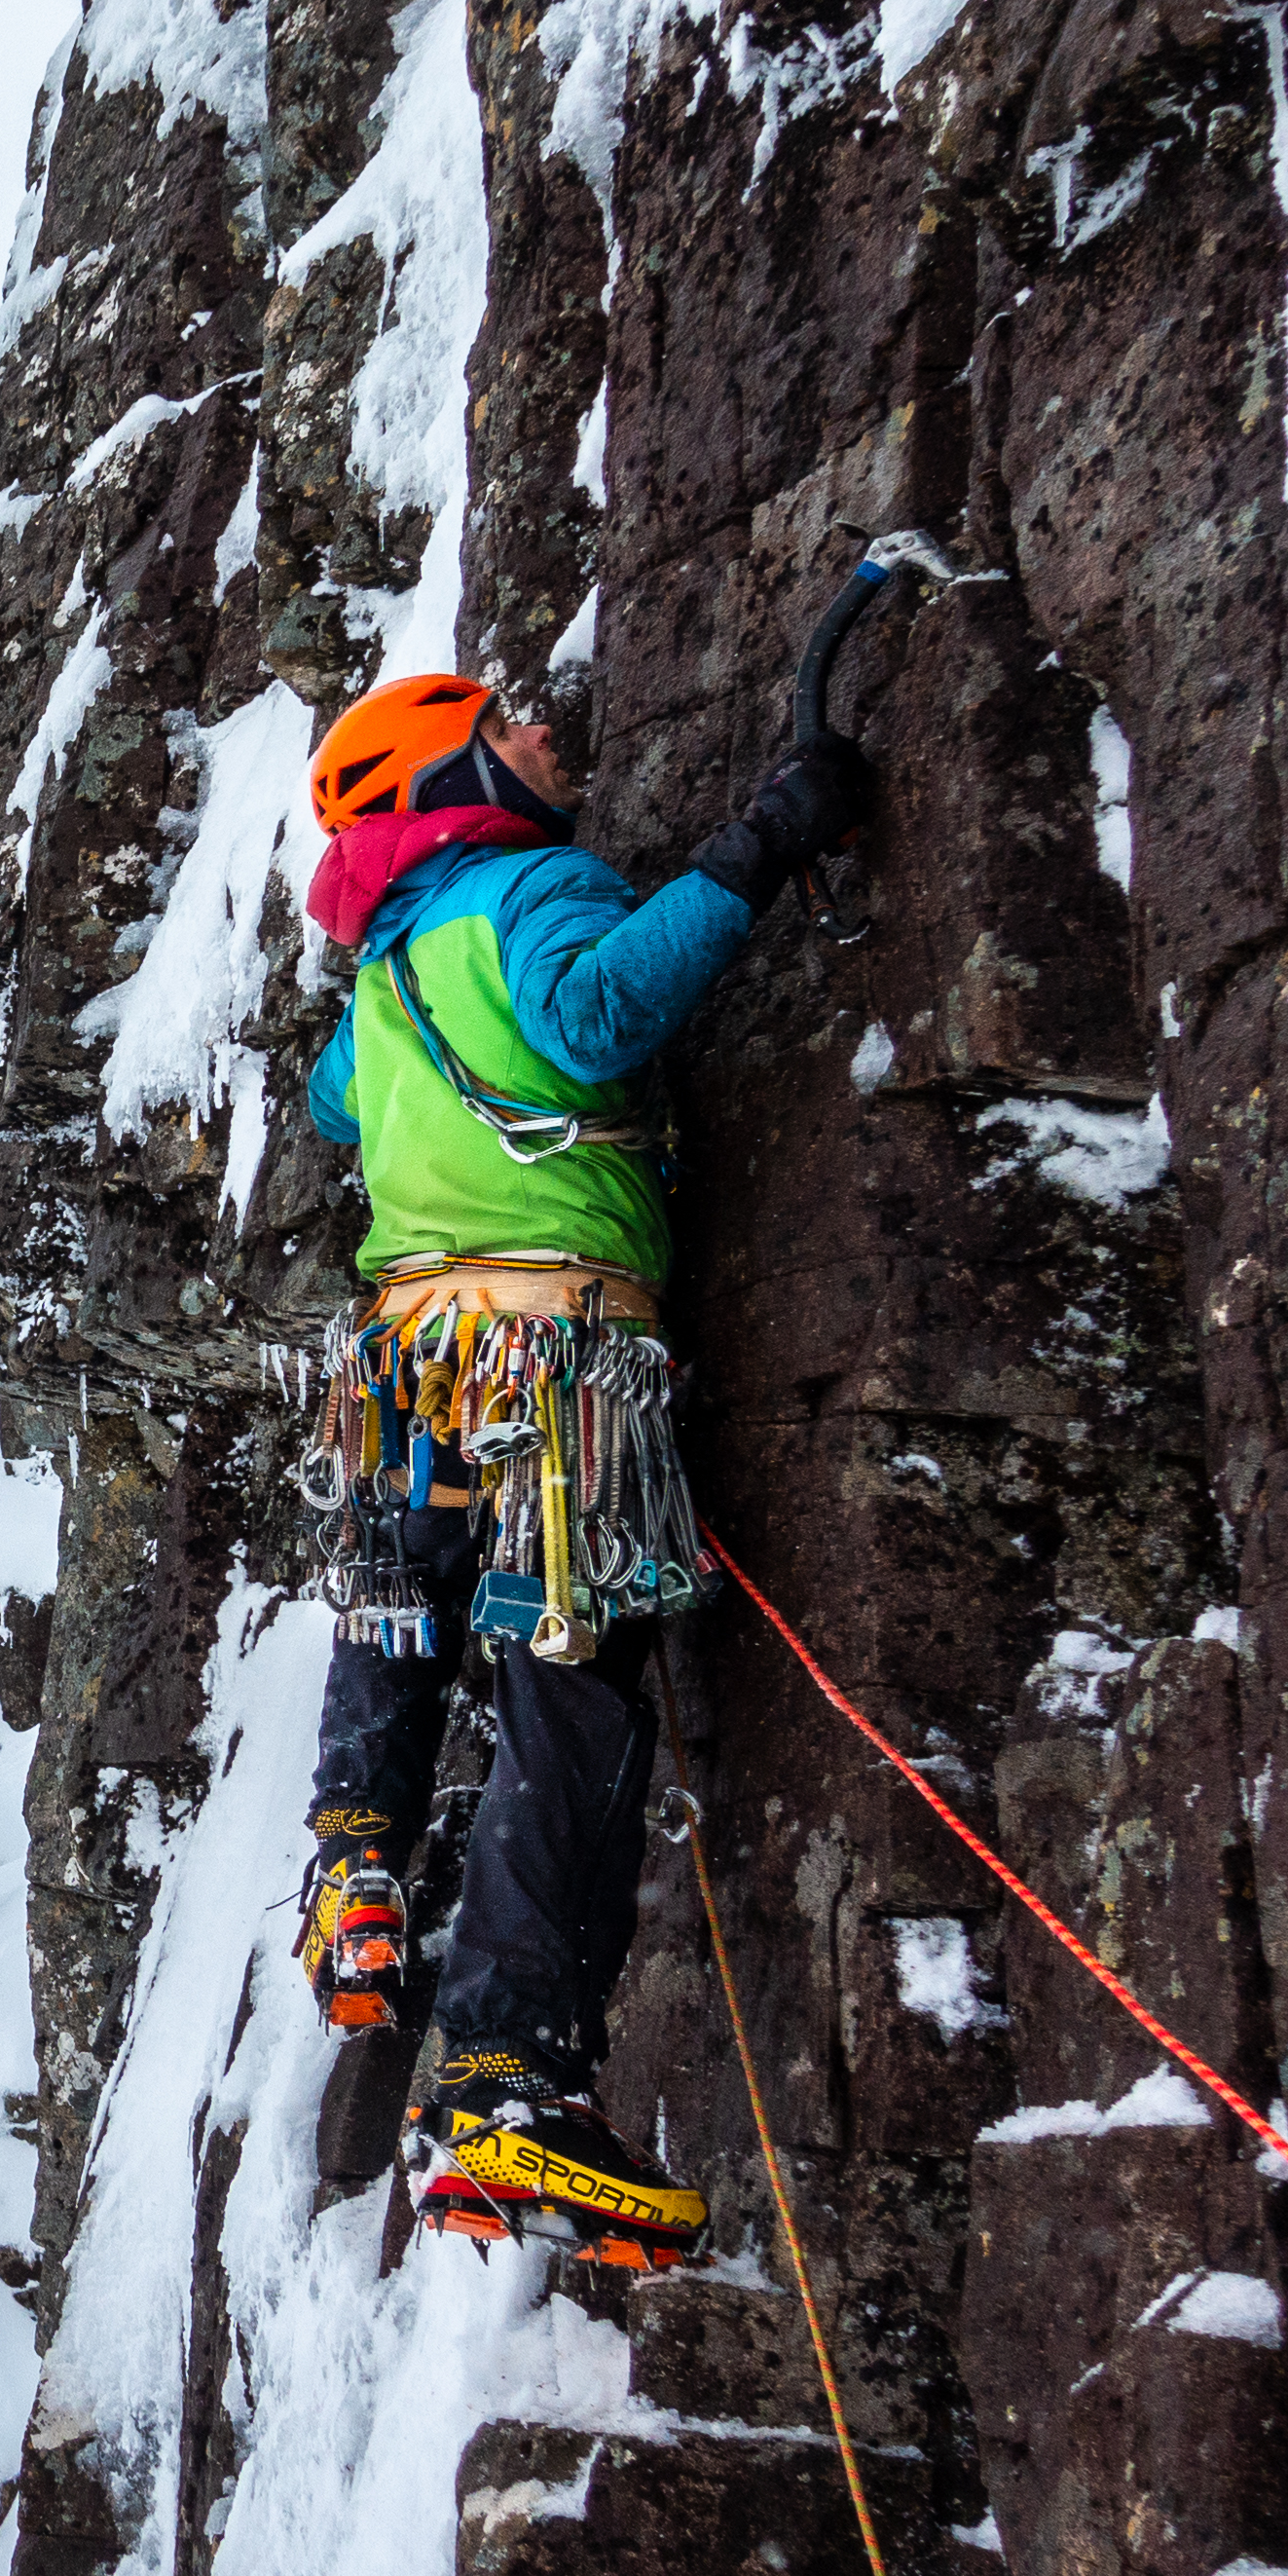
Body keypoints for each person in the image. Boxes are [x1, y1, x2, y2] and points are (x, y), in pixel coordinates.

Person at [287, 668, 867, 2268]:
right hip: (559, 1351)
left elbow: (341, 1107)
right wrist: (763, 843)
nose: (553, 729)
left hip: (409, 1359)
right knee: (567, 1683)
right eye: (513, 720)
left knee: (398, 1620)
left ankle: (358, 1867)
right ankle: (504, 2079)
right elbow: (599, 1010)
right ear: (446, 773)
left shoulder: (385, 976)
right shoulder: (531, 888)